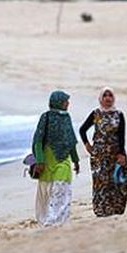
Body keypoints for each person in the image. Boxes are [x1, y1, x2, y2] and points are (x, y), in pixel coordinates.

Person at [32, 91, 80, 227]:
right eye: (66, 101)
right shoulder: (45, 117)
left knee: (61, 191)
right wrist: (40, 161)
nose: (68, 104)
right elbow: (38, 141)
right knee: (46, 193)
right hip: (46, 163)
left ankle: (56, 222)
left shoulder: (67, 118)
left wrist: (76, 160)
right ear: (58, 102)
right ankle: (46, 221)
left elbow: (71, 141)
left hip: (64, 161)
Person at [79, 86, 127, 217]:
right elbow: (82, 129)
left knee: (117, 182)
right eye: (105, 95)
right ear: (101, 98)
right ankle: (101, 210)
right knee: (100, 183)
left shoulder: (119, 115)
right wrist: (87, 145)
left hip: (115, 153)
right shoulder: (96, 114)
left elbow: (121, 136)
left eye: (110, 95)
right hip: (99, 156)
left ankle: (116, 209)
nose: (108, 98)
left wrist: (121, 154)